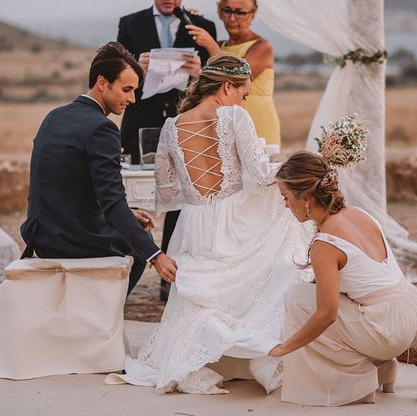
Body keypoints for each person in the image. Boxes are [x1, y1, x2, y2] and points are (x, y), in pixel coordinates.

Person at [106, 55, 311, 393]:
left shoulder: (172, 125)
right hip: (231, 217)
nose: (242, 100)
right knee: (285, 232)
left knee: (203, 296)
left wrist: (196, 194)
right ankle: (254, 351)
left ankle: (209, 349)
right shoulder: (234, 117)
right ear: (228, 86)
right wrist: (293, 167)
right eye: (242, 93)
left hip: (192, 220)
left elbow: (167, 190)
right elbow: (259, 175)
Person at [270, 144, 417, 406]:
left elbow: (327, 315)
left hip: (389, 330)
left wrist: (285, 348)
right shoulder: (359, 214)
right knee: (337, 298)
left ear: (306, 198)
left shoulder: (324, 244)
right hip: (415, 310)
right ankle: (385, 371)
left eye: (285, 197)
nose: (285, 205)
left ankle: (353, 384)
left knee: (298, 299)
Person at [20, 42, 177, 293]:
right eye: (127, 89)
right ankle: (105, 313)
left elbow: (67, 185)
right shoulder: (102, 129)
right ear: (102, 83)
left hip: (41, 234)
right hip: (71, 239)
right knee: (141, 241)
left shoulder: (54, 116)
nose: (132, 99)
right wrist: (156, 256)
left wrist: (123, 214)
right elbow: (112, 201)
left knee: (130, 225)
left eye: (135, 91)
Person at [117, 0, 217, 299]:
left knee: (181, 202)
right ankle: (122, 277)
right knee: (128, 198)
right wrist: (135, 66)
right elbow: (119, 75)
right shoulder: (129, 24)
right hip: (138, 124)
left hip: (184, 125)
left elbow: (213, 86)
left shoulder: (202, 26)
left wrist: (200, 68)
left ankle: (169, 280)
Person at [186, 0, 280, 146]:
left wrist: (210, 45)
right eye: (227, 10)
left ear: (252, 15)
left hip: (257, 119)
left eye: (240, 12)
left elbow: (238, 75)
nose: (232, 18)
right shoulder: (220, 45)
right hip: (225, 122)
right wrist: (194, 19)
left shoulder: (262, 46)